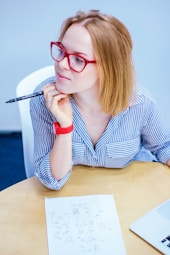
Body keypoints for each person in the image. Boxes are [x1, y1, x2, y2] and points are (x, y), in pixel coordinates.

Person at [30, 9, 170, 190]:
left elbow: (163, 146)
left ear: (108, 67)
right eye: (62, 51)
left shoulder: (141, 104)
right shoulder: (45, 102)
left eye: (78, 59)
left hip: (131, 192)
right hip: (75, 197)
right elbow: (51, 180)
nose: (61, 64)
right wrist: (64, 127)